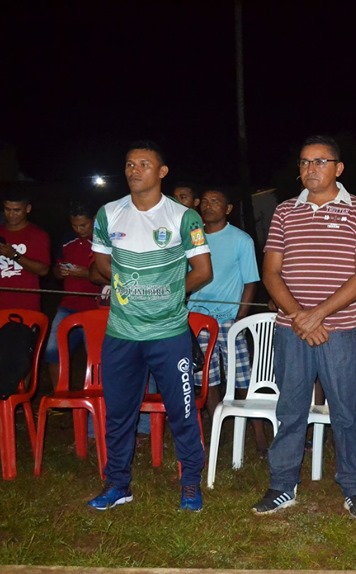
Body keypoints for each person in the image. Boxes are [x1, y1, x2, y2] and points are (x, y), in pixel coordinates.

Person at [253, 135, 356, 519]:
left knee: (344, 412)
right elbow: (271, 273)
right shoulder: (285, 212)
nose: (311, 169)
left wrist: (318, 314)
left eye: (320, 161)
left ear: (338, 168)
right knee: (290, 410)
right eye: (305, 162)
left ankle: (354, 489)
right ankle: (282, 486)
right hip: (291, 330)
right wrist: (300, 317)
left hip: (339, 331)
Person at [88, 141, 213, 511]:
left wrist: (170, 294)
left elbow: (203, 271)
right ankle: (118, 484)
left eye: (144, 164)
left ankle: (190, 483)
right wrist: (127, 287)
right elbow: (101, 264)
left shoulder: (183, 217)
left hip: (169, 335)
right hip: (121, 334)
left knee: (182, 412)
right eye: (129, 164)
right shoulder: (109, 213)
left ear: (162, 172)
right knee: (119, 413)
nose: (134, 170)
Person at [187, 188, 263, 447]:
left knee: (242, 377)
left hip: (230, 319)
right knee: (206, 379)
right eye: (205, 201)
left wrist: (241, 317)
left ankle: (260, 436)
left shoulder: (241, 240)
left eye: (216, 201)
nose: (208, 206)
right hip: (198, 319)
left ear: (228, 209)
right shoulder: (193, 239)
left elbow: (251, 282)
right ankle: (217, 430)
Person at [45, 202, 103, 386]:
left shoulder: (104, 241)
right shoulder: (67, 240)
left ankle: (99, 395)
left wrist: (86, 273)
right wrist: (59, 271)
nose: (79, 229)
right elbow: (55, 271)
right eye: (74, 225)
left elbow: (111, 276)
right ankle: (60, 395)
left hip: (95, 307)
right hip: (68, 306)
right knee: (52, 351)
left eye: (83, 225)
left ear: (94, 220)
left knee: (96, 355)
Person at [0, 192, 51, 311]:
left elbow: (43, 270)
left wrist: (14, 255)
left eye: (16, 210)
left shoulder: (38, 235)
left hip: (25, 304)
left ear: (28, 209)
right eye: (7, 209)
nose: (11, 214)